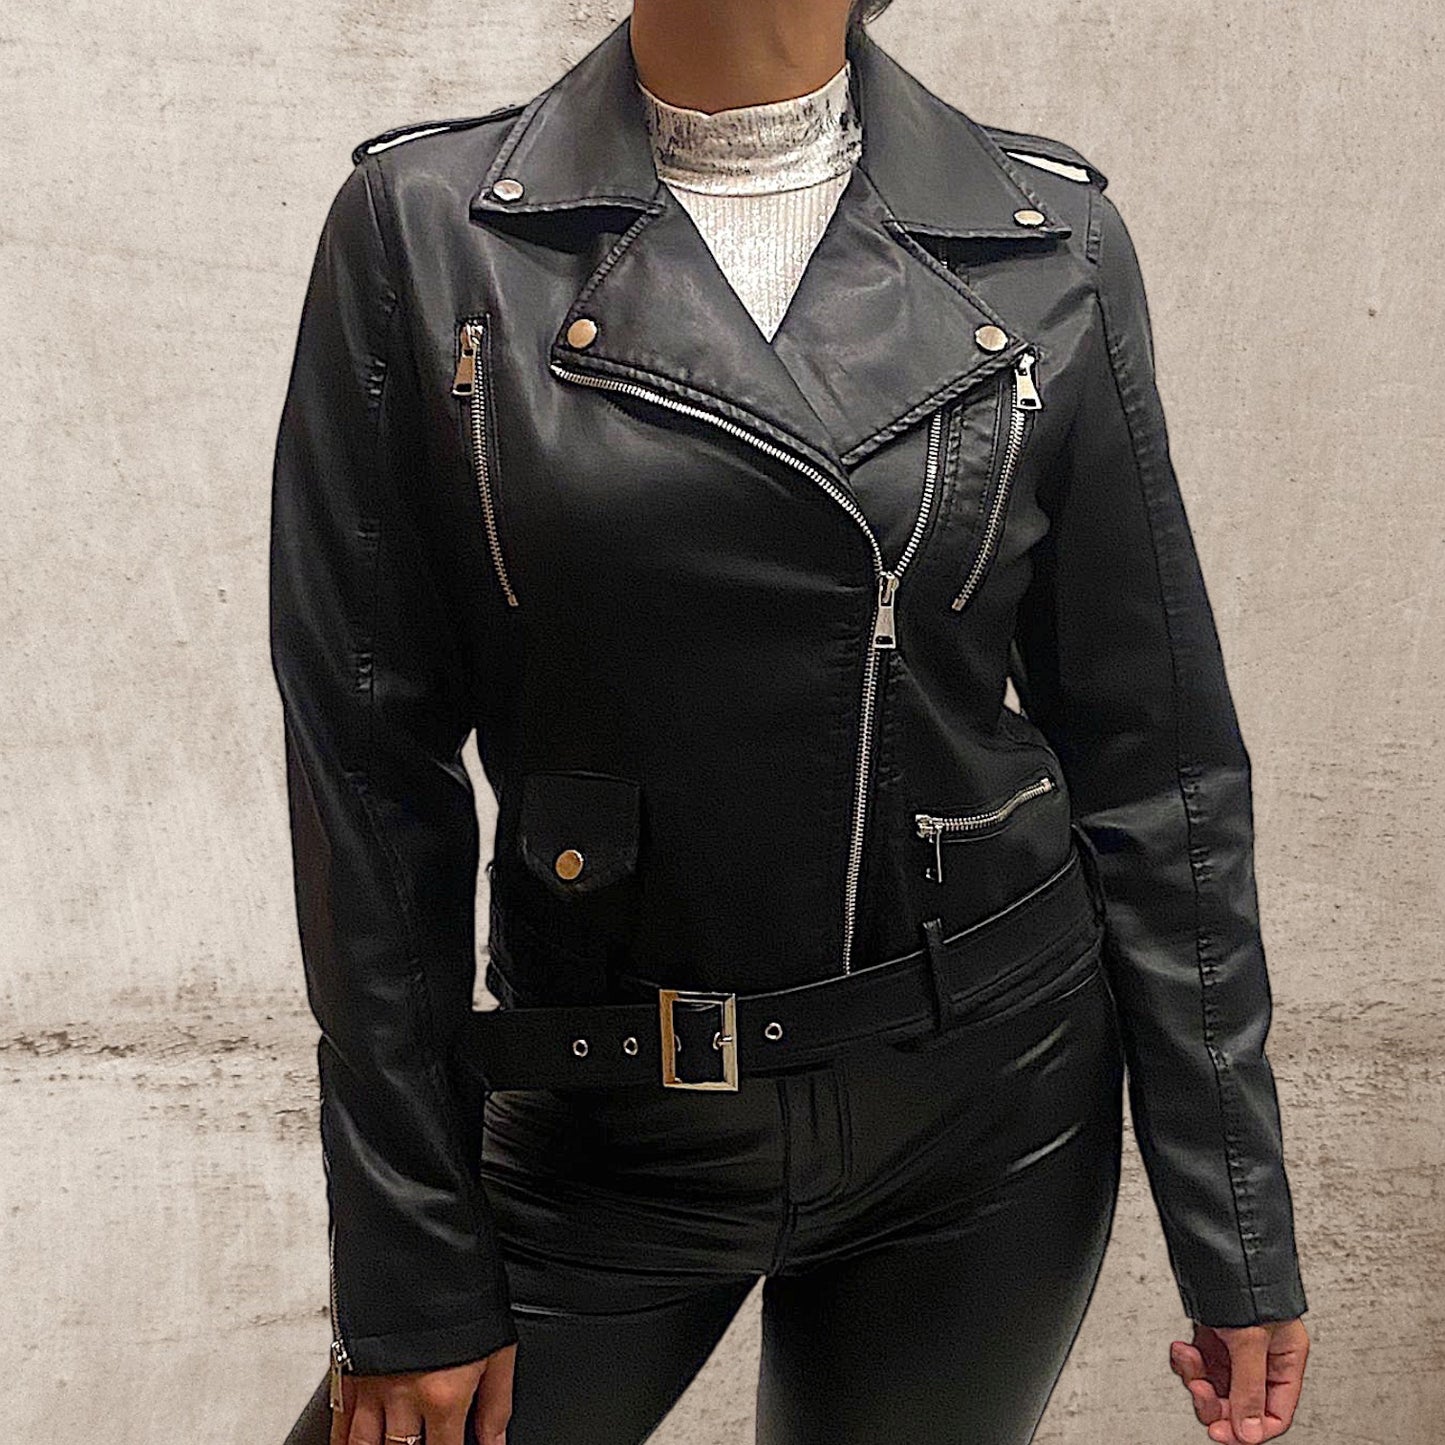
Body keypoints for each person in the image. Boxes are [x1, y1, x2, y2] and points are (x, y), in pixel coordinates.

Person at [268, 3, 1313, 1442]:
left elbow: (1156, 759)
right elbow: (366, 776)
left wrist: (1234, 1216)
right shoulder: (428, 231)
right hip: (602, 1109)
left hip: (985, 1110)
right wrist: (410, 1268)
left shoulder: (1042, 240)